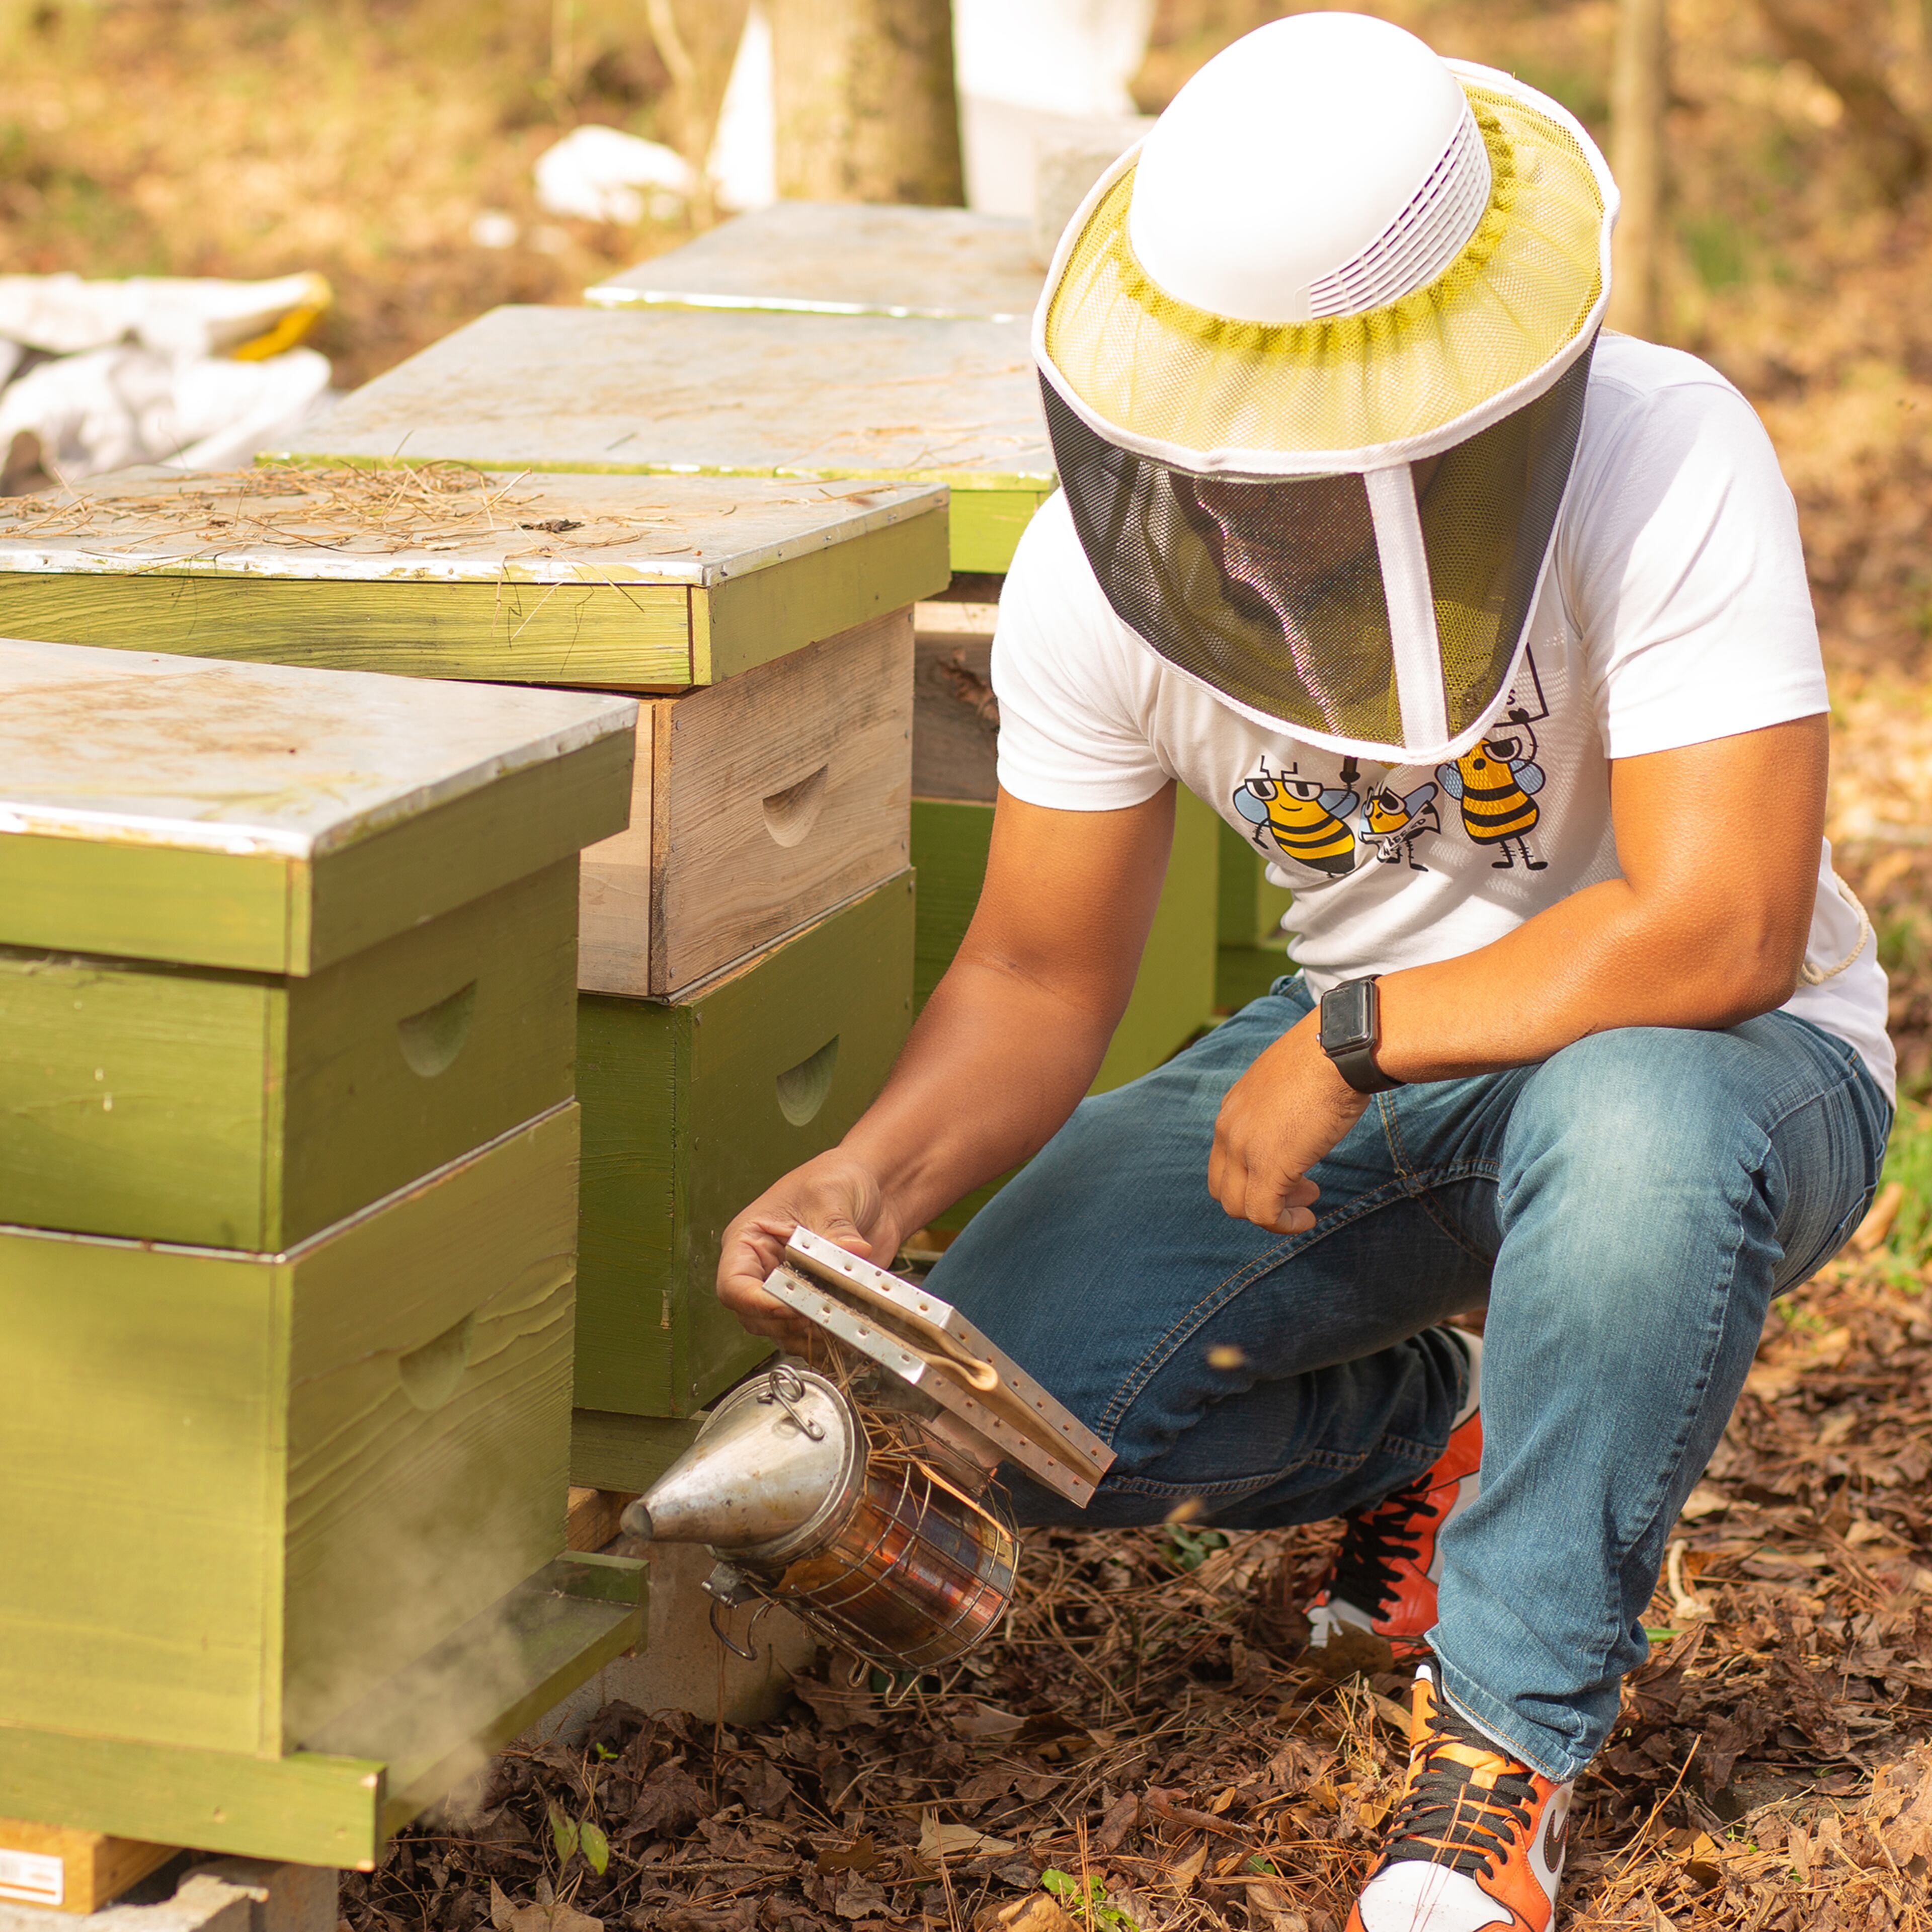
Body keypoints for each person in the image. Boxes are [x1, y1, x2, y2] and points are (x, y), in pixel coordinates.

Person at [716, 14, 1894, 1928]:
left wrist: (1362, 1035)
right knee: (1018, 1413)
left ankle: (1507, 1745)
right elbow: (1029, 971)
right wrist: (872, 1188)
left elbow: (1722, 923)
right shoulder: (1104, 581)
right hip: (1373, 1069)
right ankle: (1438, 1427)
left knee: (1640, 1123)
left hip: (1725, 1064)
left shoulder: (1663, 451)